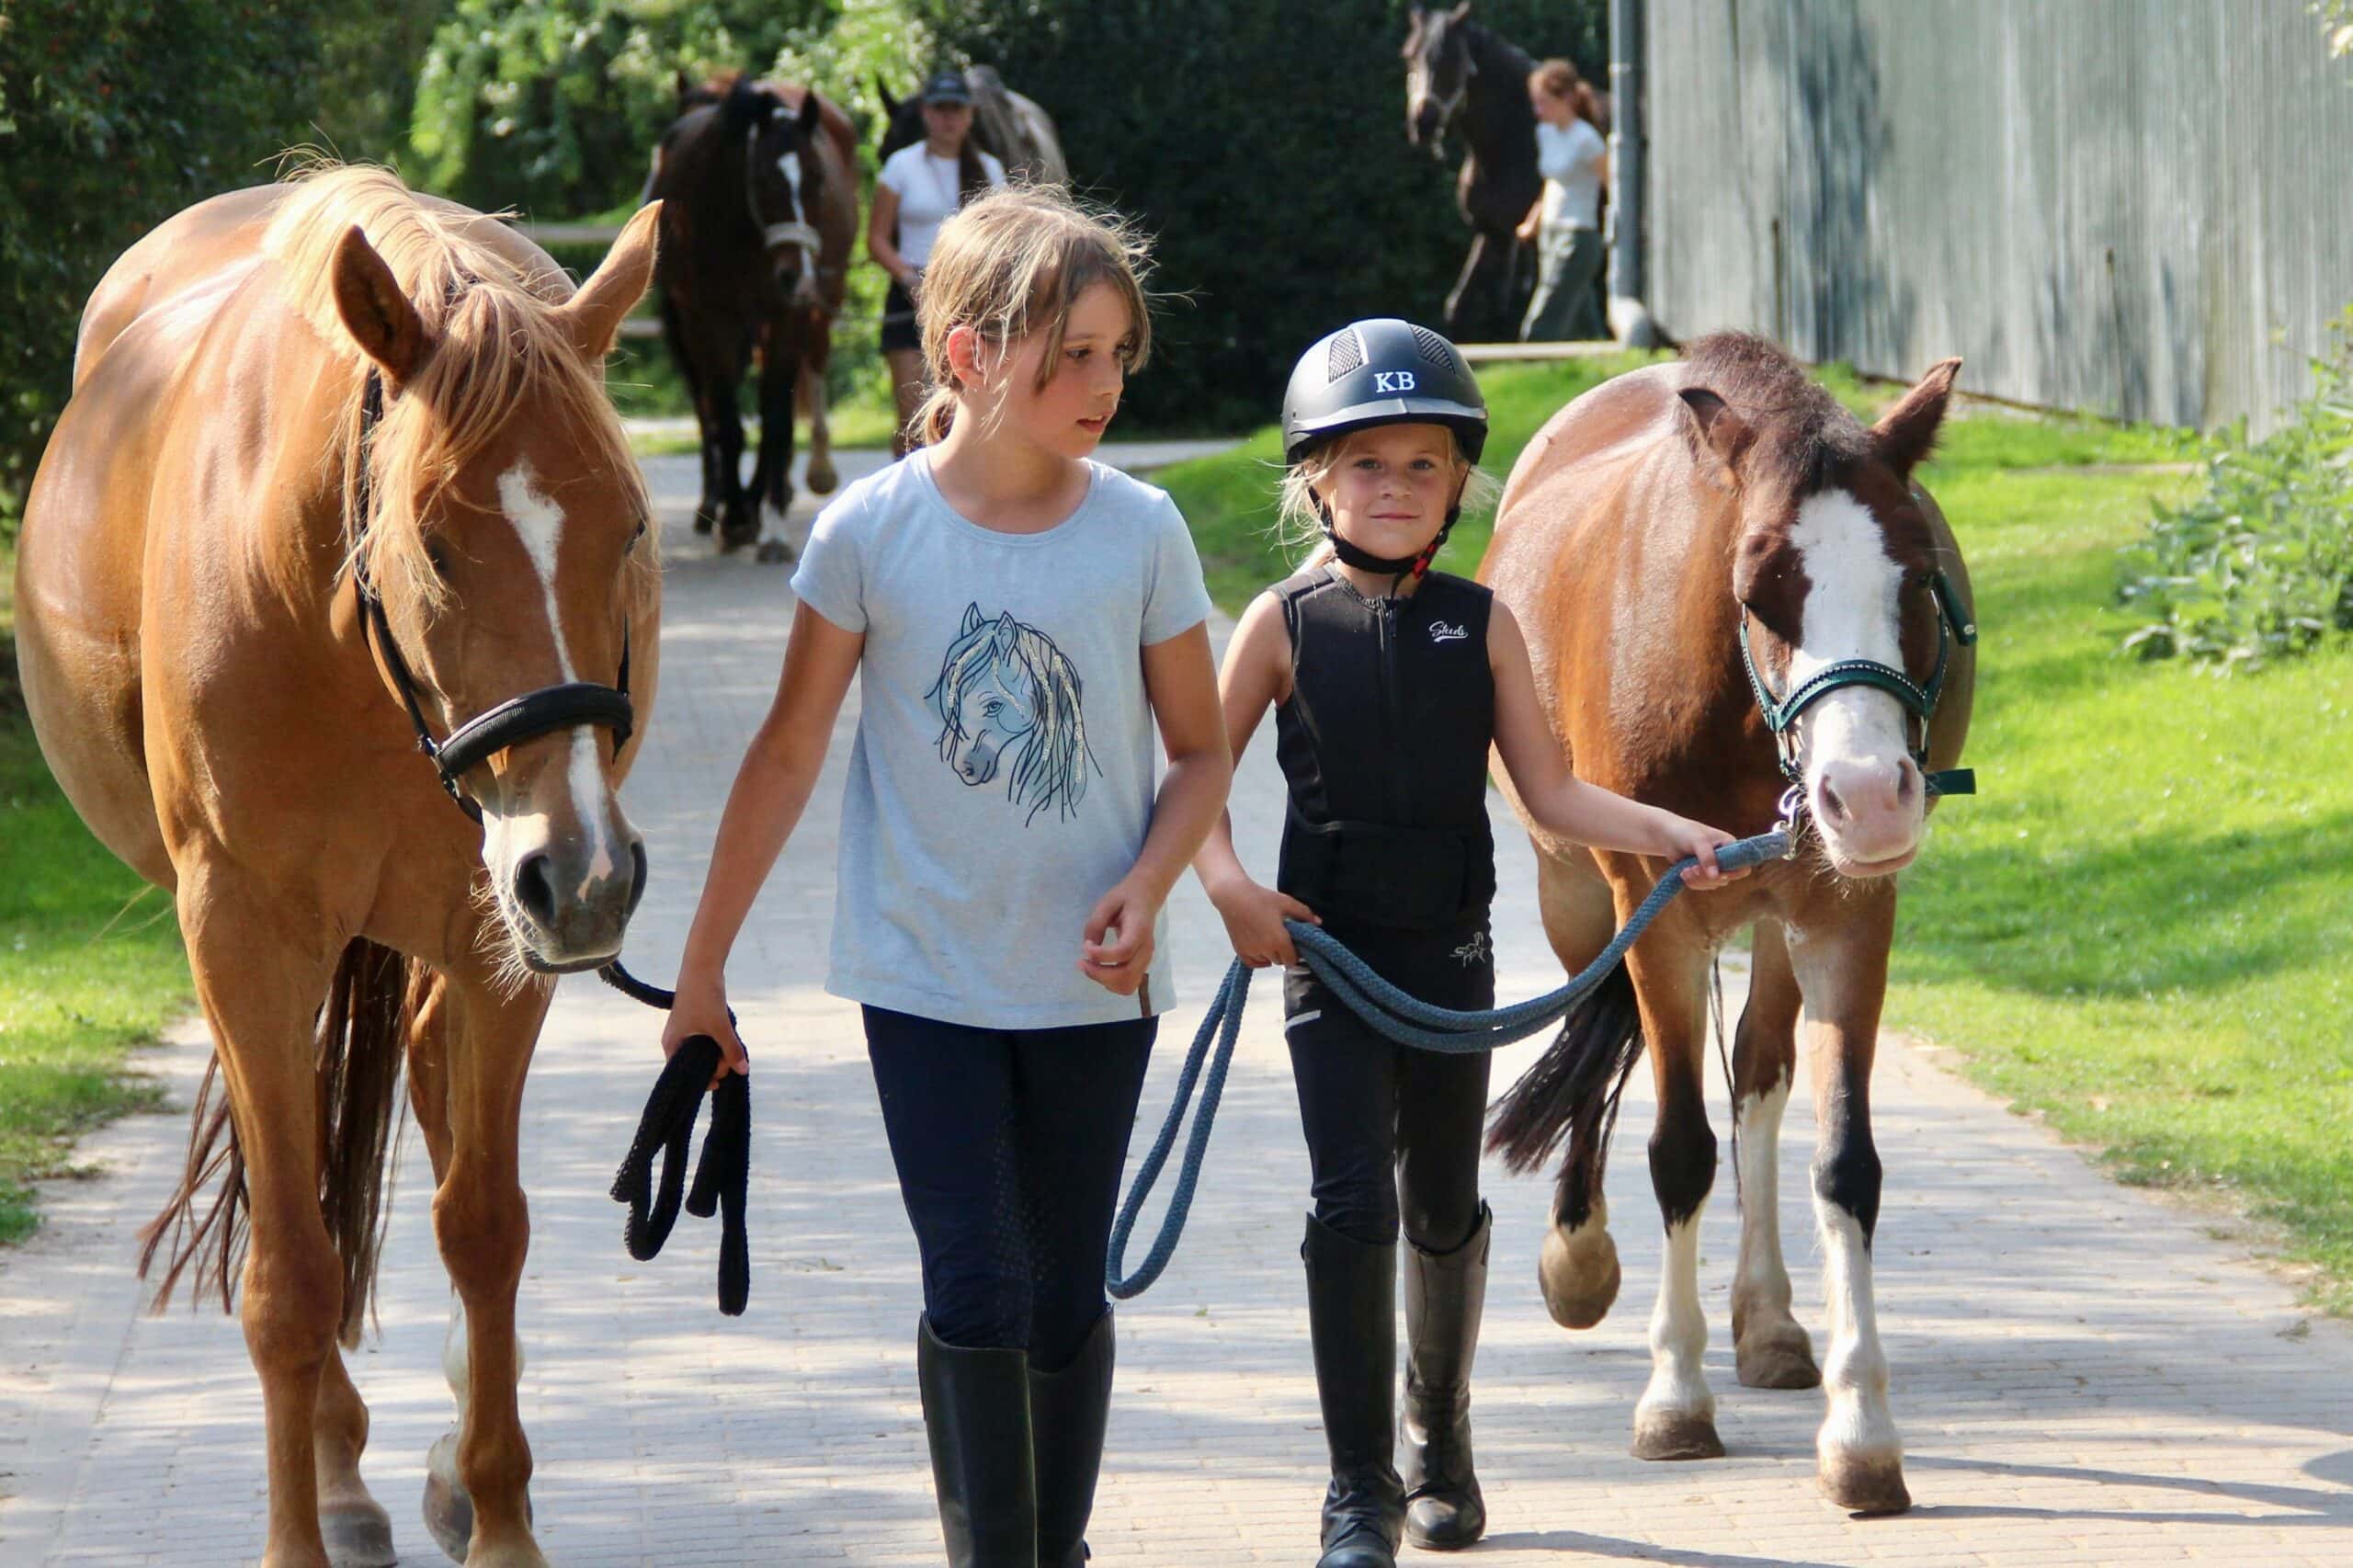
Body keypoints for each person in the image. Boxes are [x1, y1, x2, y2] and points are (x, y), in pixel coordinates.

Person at [665, 186, 1231, 1567]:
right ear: (970, 356)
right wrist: (701, 971)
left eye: (1115, 352)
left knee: (1061, 1295)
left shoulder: (1142, 531)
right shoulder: (868, 533)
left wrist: (1154, 887)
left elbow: (1204, 751)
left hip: (1096, 989)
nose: (1103, 382)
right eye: (1072, 353)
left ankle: (1054, 1547)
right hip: (922, 979)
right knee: (973, 1285)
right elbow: (788, 754)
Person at [1192, 320, 1742, 1568]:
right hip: (1327, 964)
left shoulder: (1485, 623)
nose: (1395, 488)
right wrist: (1228, 886)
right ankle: (1356, 1491)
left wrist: (1676, 830)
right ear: (1317, 480)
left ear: (1458, 484)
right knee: (1348, 1209)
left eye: (1424, 466)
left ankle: (1441, 1438)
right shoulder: (1278, 625)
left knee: (1440, 1206)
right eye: (1367, 464)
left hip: (1449, 964)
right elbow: (1194, 786)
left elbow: (1552, 795)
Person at [870, 68, 1010, 458]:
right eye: (940, 110)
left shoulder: (989, 169)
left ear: (969, 116)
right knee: (911, 415)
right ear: (926, 115)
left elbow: (1001, 238)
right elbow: (877, 238)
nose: (948, 118)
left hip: (969, 302)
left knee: (961, 413)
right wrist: (906, 278)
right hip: (909, 296)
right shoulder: (900, 166)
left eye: (956, 110)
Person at [1518, 59, 1610, 343]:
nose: (1538, 111)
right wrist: (1532, 221)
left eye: (1544, 102)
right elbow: (1552, 183)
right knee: (1584, 323)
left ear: (1567, 98)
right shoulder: (1544, 134)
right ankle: (1604, 367)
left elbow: (1611, 184)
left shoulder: (1587, 139)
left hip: (1578, 235)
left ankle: (1529, 360)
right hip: (1549, 232)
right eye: (1536, 103)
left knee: (1544, 318)